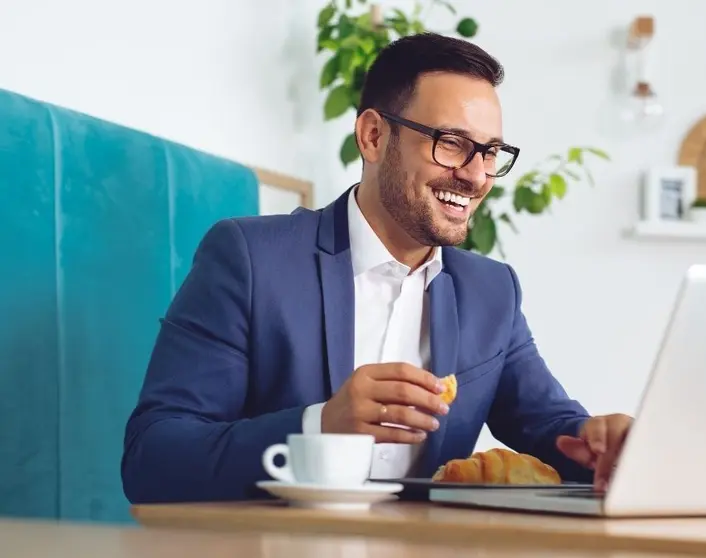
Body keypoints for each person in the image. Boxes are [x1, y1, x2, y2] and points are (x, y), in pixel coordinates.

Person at [120, 32, 632, 504]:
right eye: (451, 142)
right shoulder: (251, 258)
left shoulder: (491, 291)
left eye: (491, 152)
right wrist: (320, 426)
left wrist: (606, 444)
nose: (475, 175)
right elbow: (153, 456)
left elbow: (551, 427)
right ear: (372, 136)